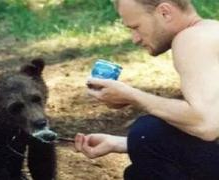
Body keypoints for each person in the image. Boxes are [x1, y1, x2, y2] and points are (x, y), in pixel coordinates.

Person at [74, 0, 219, 179]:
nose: (135, 39)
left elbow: (206, 124)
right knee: (138, 169)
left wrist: (132, 96)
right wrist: (122, 143)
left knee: (148, 132)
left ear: (165, 12)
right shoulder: (211, 30)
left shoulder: (192, 39)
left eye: (136, 27)